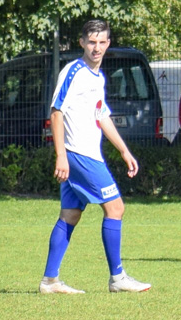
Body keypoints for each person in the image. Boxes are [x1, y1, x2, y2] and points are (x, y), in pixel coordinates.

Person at [39, 19, 150, 294]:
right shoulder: (74, 72)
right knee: (116, 208)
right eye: (91, 42)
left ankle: (50, 281)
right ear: (82, 43)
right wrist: (61, 156)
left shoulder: (98, 77)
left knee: (70, 214)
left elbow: (101, 115)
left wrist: (124, 150)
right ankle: (118, 278)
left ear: (108, 43)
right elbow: (56, 112)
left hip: (84, 154)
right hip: (80, 155)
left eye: (101, 42)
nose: (96, 47)